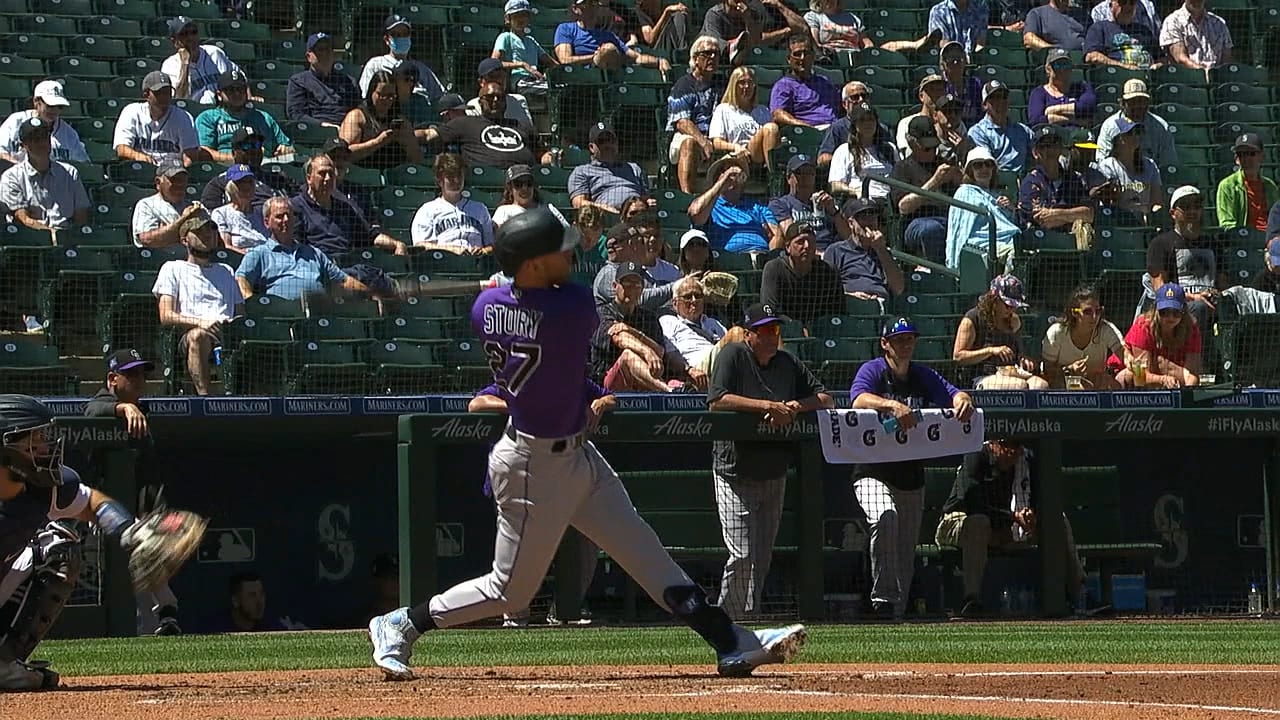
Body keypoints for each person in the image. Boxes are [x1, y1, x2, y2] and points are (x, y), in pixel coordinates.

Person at [368, 209, 808, 680]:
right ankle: (401, 623)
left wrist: (505, 286)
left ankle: (730, 641)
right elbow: (548, 305)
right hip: (534, 465)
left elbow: (510, 305)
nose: (571, 255)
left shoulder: (484, 310)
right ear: (534, 264)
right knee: (510, 593)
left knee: (646, 554)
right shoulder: (571, 308)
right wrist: (513, 287)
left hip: (574, 454)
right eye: (558, 250)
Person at [0, 395, 199, 688]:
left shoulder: (43, 487)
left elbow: (91, 501)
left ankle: (5, 664)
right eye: (34, 441)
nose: (45, 448)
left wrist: (132, 532)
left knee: (59, 549)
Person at [707, 302, 833, 618]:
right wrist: (766, 405)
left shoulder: (787, 362)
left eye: (775, 330)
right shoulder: (733, 355)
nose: (771, 336)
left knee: (761, 556)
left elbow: (825, 398)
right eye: (764, 330)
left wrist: (792, 407)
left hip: (774, 469)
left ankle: (748, 618)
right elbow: (718, 400)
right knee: (743, 553)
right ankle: (726, 620)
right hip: (734, 468)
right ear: (749, 334)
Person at [850, 317, 976, 620]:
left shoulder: (921, 374)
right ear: (885, 343)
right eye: (899, 339)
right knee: (884, 516)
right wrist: (890, 405)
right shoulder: (874, 370)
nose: (905, 345)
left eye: (909, 339)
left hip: (910, 475)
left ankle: (896, 615)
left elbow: (954, 393)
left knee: (906, 551)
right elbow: (858, 400)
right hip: (872, 470)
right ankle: (881, 602)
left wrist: (963, 398)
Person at [468, 384, 601, 626]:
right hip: (516, 483)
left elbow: (607, 396)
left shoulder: (566, 379)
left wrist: (598, 404)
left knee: (587, 541)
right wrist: (522, 409)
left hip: (560, 480)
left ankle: (567, 609)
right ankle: (515, 615)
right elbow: (476, 404)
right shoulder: (511, 383)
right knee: (520, 551)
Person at [81, 352, 184, 636]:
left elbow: (149, 474)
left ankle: (163, 617)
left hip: (136, 510)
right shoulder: (106, 406)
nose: (140, 380)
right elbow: (91, 411)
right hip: (103, 514)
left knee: (142, 564)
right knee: (116, 581)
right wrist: (122, 409)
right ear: (112, 379)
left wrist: (154, 509)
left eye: (142, 374)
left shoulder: (142, 415)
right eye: (131, 374)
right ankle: (165, 612)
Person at [935, 437, 1086, 617]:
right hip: (958, 522)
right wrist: (1013, 517)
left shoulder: (1027, 461)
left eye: (1016, 446)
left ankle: (1079, 594)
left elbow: (1041, 499)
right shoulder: (977, 454)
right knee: (979, 523)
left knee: (1057, 520)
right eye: (1006, 445)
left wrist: (1031, 515)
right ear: (993, 444)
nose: (1012, 452)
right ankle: (972, 600)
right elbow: (972, 502)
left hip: (1005, 528)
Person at [153, 210, 244, 395]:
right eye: (199, 232)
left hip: (228, 333)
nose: (207, 235)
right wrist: (201, 323)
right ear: (184, 239)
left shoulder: (226, 270)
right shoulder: (172, 268)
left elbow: (241, 312)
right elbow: (166, 315)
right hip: (191, 333)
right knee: (198, 336)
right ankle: (205, 399)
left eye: (210, 231)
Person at [236, 196, 375, 301]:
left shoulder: (313, 253)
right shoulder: (259, 253)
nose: (286, 220)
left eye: (289, 215)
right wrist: (254, 304)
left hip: (319, 315)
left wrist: (371, 296)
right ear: (267, 222)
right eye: (279, 216)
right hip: (282, 317)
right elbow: (241, 278)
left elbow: (343, 281)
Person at [1144, 185, 1224, 353]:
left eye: (1196, 206)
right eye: (1186, 207)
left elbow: (1223, 283)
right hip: (1177, 307)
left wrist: (1218, 295)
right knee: (1200, 308)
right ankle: (1200, 365)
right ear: (1173, 213)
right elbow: (1161, 289)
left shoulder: (1214, 244)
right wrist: (1194, 297)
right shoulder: (1160, 244)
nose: (1192, 211)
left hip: (1212, 303)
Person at [593, 262, 694, 392]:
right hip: (608, 385)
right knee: (628, 355)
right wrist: (647, 351)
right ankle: (669, 392)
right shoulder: (602, 312)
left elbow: (660, 352)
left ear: (642, 289)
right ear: (615, 286)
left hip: (645, 378)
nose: (631, 288)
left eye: (636, 284)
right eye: (626, 283)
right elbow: (619, 338)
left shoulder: (648, 317)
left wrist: (631, 331)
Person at [954, 274, 1050, 389]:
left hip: (1012, 373)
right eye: (1008, 305)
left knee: (1040, 385)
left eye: (1014, 306)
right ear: (994, 299)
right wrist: (990, 351)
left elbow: (1018, 353)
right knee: (1018, 386)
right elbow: (958, 356)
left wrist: (1024, 360)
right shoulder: (972, 318)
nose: (1012, 310)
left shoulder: (1013, 320)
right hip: (981, 376)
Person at [891, 115, 962, 264]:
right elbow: (903, 207)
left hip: (948, 218)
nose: (931, 152)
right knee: (932, 229)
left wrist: (960, 177)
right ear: (912, 142)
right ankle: (942, 277)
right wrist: (935, 182)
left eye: (934, 147)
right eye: (926, 147)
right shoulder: (903, 168)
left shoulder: (944, 163)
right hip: (917, 222)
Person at [422, 81, 537, 171]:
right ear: (480, 102)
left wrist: (547, 156)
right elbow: (428, 135)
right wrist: (406, 132)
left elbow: (541, 152)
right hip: (483, 181)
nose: (496, 101)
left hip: (524, 182)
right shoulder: (465, 123)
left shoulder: (520, 125)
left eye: (500, 97)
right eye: (490, 97)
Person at [0, 118, 90, 231]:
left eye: (44, 137)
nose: (41, 142)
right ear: (23, 145)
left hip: (68, 235)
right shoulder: (11, 177)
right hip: (33, 239)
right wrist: (50, 234)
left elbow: (81, 214)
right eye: (35, 139)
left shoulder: (70, 173)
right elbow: (22, 218)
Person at [668, 36, 728, 193]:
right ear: (695, 59)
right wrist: (703, 141)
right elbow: (681, 122)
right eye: (707, 53)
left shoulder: (722, 83)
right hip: (687, 136)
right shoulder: (684, 85)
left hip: (717, 137)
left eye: (716, 53)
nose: (713, 57)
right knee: (689, 143)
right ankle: (687, 197)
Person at [196, 70, 294, 165]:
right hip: (224, 170)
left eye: (240, 89)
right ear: (219, 95)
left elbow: (288, 147)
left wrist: (286, 149)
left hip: (263, 170)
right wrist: (240, 158)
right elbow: (205, 152)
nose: (237, 93)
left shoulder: (263, 118)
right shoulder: (208, 118)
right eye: (231, 90)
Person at [946, 147, 1019, 269]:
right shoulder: (964, 192)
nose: (984, 169)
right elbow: (961, 229)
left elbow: (1007, 223)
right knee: (1015, 254)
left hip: (1009, 239)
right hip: (981, 243)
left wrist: (1010, 209)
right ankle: (1006, 287)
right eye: (978, 165)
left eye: (988, 164)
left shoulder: (997, 195)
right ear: (970, 170)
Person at [689, 157, 781, 253]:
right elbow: (695, 214)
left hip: (761, 255)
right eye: (724, 170)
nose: (731, 174)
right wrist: (723, 182)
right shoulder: (711, 206)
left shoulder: (757, 206)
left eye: (735, 170)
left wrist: (770, 257)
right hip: (728, 259)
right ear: (716, 178)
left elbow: (777, 234)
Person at [1117, 283, 1201, 387]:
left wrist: (1187, 394)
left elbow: (1192, 373)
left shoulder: (1191, 328)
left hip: (1162, 372)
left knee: (1174, 370)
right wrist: (1162, 379)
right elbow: (1140, 375)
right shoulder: (1143, 326)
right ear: (1156, 310)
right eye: (1164, 312)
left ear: (1184, 310)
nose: (1170, 317)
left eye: (1176, 312)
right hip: (1120, 373)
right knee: (1132, 373)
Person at [1041, 284, 1124, 389]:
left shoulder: (1106, 329)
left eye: (1098, 311)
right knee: (1078, 387)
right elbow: (1047, 370)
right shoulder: (1057, 332)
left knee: (1112, 385)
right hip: (1064, 382)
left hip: (1096, 382)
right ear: (1074, 313)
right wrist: (1070, 370)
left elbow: (1123, 352)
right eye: (1087, 312)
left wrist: (1132, 361)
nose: (1094, 317)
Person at [760, 222, 844, 325]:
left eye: (811, 241)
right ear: (788, 247)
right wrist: (797, 327)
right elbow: (770, 309)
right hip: (784, 329)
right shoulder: (774, 268)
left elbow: (838, 309)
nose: (807, 246)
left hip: (821, 329)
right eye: (800, 242)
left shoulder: (828, 270)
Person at [822, 199, 905, 302]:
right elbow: (824, 289)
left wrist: (881, 250)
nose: (869, 221)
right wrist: (849, 295)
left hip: (881, 304)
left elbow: (898, 288)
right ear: (851, 223)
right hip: (849, 304)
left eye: (872, 216)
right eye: (863, 218)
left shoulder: (883, 252)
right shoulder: (836, 250)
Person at [554, 0, 672, 72]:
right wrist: (596, 57)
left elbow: (636, 57)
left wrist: (658, 61)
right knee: (608, 49)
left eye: (593, 3)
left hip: (608, 80)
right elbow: (565, 59)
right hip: (579, 80)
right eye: (586, 4)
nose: (591, 7)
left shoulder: (608, 35)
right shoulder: (566, 29)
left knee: (609, 48)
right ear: (575, 9)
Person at [411, 153, 495, 254]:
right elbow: (421, 245)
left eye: (459, 175)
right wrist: (451, 249)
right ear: (439, 180)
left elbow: (492, 245)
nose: (456, 180)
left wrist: (483, 251)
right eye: (450, 176)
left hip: (477, 264)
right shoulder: (427, 210)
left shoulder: (480, 209)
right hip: (443, 264)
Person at [340, 70, 423, 170]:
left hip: (393, 175)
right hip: (363, 173)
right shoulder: (357, 116)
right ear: (372, 92)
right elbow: (344, 154)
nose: (386, 100)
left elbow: (417, 159)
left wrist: (407, 142)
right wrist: (377, 142)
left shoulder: (401, 121)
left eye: (390, 96)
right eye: (381, 95)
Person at [113, 71, 200, 166]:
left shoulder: (183, 117)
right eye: (159, 93)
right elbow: (121, 149)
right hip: (143, 169)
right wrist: (138, 156)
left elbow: (190, 155)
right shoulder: (132, 112)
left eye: (167, 92)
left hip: (172, 171)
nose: (164, 97)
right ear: (146, 94)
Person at [199, 127, 297, 212]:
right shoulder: (220, 183)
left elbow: (300, 205)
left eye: (257, 145)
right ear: (234, 153)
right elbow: (214, 218)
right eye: (247, 146)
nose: (254, 150)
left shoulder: (278, 179)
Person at [1018, 125, 1093, 232]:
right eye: (1044, 146)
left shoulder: (1075, 179)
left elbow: (1089, 214)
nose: (1050, 150)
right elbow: (1042, 220)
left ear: (1061, 149)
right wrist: (1073, 216)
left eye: (1054, 144)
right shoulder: (1031, 181)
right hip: (1041, 240)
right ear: (1035, 153)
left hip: (1072, 240)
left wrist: (1055, 214)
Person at [769, 155, 850, 252]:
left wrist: (834, 211)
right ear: (788, 178)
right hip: (802, 253)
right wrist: (817, 254)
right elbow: (791, 235)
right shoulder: (780, 204)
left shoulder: (825, 201)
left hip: (831, 252)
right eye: (799, 173)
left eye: (809, 173)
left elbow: (848, 237)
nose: (805, 178)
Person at [359, 14, 446, 103]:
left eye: (405, 34)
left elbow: (439, 97)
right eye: (396, 34)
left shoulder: (421, 68)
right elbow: (364, 96)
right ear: (386, 39)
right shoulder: (375, 64)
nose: (401, 37)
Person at [709, 66, 782, 170]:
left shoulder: (763, 110)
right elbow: (717, 142)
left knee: (771, 129)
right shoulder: (723, 109)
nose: (746, 86)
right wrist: (736, 147)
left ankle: (773, 174)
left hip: (759, 155)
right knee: (771, 128)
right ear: (734, 85)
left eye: (750, 83)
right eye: (742, 83)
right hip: (737, 155)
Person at [1094, 118, 1164, 226]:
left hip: (1146, 223)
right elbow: (1109, 203)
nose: (1136, 136)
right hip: (1119, 222)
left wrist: (1156, 216)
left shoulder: (1149, 165)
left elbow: (1156, 201)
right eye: (1130, 133)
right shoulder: (1107, 166)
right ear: (1118, 139)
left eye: (1137, 132)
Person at [569, 123, 650, 215]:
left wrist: (649, 202)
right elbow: (579, 203)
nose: (607, 144)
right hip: (607, 218)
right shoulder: (581, 171)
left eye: (611, 140)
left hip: (638, 215)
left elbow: (645, 198)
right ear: (591, 147)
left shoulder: (634, 168)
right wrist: (603, 208)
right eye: (601, 141)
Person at [0, 80, 87, 165]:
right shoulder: (16, 121)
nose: (55, 110)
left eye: (59, 106)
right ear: (36, 101)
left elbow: (82, 164)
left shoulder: (69, 134)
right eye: (50, 106)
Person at [1095, 79, 1176, 169]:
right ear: (1122, 103)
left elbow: (1167, 162)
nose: (1138, 105)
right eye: (1132, 101)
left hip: (1152, 178)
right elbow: (1102, 161)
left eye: (1141, 101)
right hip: (1118, 177)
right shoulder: (1110, 125)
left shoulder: (1161, 126)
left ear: (1148, 103)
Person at [287, 32, 361, 128]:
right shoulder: (299, 81)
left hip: (348, 129)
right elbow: (296, 114)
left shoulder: (348, 81)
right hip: (316, 131)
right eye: (320, 50)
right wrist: (322, 125)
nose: (325, 54)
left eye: (328, 49)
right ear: (309, 57)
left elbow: (360, 110)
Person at [660, 276, 728, 380]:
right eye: (687, 297)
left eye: (698, 296)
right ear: (675, 303)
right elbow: (670, 354)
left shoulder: (714, 323)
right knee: (736, 333)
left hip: (723, 365)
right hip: (697, 369)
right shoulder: (669, 322)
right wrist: (689, 369)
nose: (694, 301)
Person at [161, 16, 240, 105]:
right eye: (184, 34)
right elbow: (180, 100)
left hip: (223, 110)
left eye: (193, 32)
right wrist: (185, 64)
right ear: (174, 41)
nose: (190, 37)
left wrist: (249, 97)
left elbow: (240, 76)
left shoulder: (214, 53)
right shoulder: (169, 65)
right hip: (194, 113)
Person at [770, 34, 840, 130]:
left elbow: (842, 105)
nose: (802, 58)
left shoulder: (824, 82)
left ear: (813, 56)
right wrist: (807, 128)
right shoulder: (783, 85)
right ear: (789, 59)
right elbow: (778, 114)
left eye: (806, 53)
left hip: (834, 128)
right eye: (797, 54)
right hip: (807, 131)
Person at [829, 103, 896, 201]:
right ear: (854, 124)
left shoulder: (890, 148)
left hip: (889, 201)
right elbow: (835, 185)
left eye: (871, 119)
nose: (867, 123)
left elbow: (900, 178)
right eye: (862, 120)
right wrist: (855, 191)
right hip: (861, 202)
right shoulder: (844, 150)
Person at [493, 0, 558, 96]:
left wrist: (549, 74)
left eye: (524, 15)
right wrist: (522, 65)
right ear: (508, 18)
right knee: (549, 90)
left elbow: (552, 63)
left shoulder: (531, 40)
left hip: (535, 81)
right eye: (517, 15)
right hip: (518, 81)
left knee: (560, 88)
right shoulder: (505, 37)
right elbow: (494, 63)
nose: (521, 19)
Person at [1217, 133, 1279, 232]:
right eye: (1241, 154)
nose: (1246, 158)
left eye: (1251, 153)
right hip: (1245, 239)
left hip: (1271, 237)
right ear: (1236, 159)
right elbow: (1227, 223)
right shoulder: (1227, 186)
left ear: (1262, 156)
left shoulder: (1270, 186)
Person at [967, 80, 1033, 172]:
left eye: (1004, 97)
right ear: (984, 105)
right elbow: (986, 167)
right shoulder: (978, 132)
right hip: (996, 184)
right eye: (995, 97)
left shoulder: (1023, 130)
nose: (1001, 101)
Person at [132, 160, 199, 249]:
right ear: (158, 182)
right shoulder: (146, 205)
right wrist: (184, 219)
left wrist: (166, 233)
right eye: (173, 180)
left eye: (182, 180)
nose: (179, 184)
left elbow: (210, 240)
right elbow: (147, 240)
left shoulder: (195, 206)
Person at [816, 81, 881, 166]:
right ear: (844, 104)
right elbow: (823, 158)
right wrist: (846, 158)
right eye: (855, 97)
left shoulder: (880, 127)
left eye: (864, 96)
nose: (861, 100)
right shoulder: (837, 128)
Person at [1027, 49, 1097, 128]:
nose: (1063, 69)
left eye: (1066, 65)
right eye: (1058, 65)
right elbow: (1036, 121)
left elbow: (1088, 108)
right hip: (1052, 137)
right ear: (1048, 69)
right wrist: (1074, 121)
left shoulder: (1082, 88)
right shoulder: (1039, 93)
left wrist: (1052, 110)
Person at [210, 164, 272, 252]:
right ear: (231, 187)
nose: (247, 186)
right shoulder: (221, 213)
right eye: (241, 182)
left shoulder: (261, 213)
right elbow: (226, 246)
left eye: (250, 181)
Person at [1084, 0, 1159, 70]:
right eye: (1123, 2)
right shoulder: (1100, 28)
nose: (1128, 7)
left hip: (1149, 77)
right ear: (1111, 5)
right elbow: (1092, 56)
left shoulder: (1144, 30)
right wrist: (1124, 67)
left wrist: (1158, 66)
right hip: (1117, 78)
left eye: (1132, 3)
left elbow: (1161, 57)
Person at [1160, 0, 1232, 71]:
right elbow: (1180, 57)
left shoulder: (1219, 23)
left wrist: (1217, 74)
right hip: (1186, 78)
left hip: (1217, 78)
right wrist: (1202, 72)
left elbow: (1227, 57)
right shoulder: (1172, 21)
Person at [701, 0, 806, 47]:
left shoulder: (789, 6)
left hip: (788, 52)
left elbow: (804, 29)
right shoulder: (756, 7)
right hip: (759, 53)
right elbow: (757, 39)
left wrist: (780, 6)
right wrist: (785, 32)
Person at [493, 165, 570, 228]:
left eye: (529, 184)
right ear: (510, 188)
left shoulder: (549, 209)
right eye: (518, 184)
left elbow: (567, 233)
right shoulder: (504, 211)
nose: (524, 188)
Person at [896, 74, 948, 157]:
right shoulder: (906, 123)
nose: (937, 95)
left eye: (940, 90)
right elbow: (907, 153)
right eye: (932, 90)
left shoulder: (952, 120)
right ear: (921, 96)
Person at [939, 41, 983, 127]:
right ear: (942, 64)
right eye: (950, 59)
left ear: (965, 61)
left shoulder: (976, 84)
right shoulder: (939, 86)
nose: (955, 62)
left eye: (959, 58)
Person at [1023, 0, 1087, 50]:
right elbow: (1029, 39)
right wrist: (1052, 50)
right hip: (1053, 62)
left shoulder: (1082, 14)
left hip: (1083, 61)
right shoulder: (1037, 13)